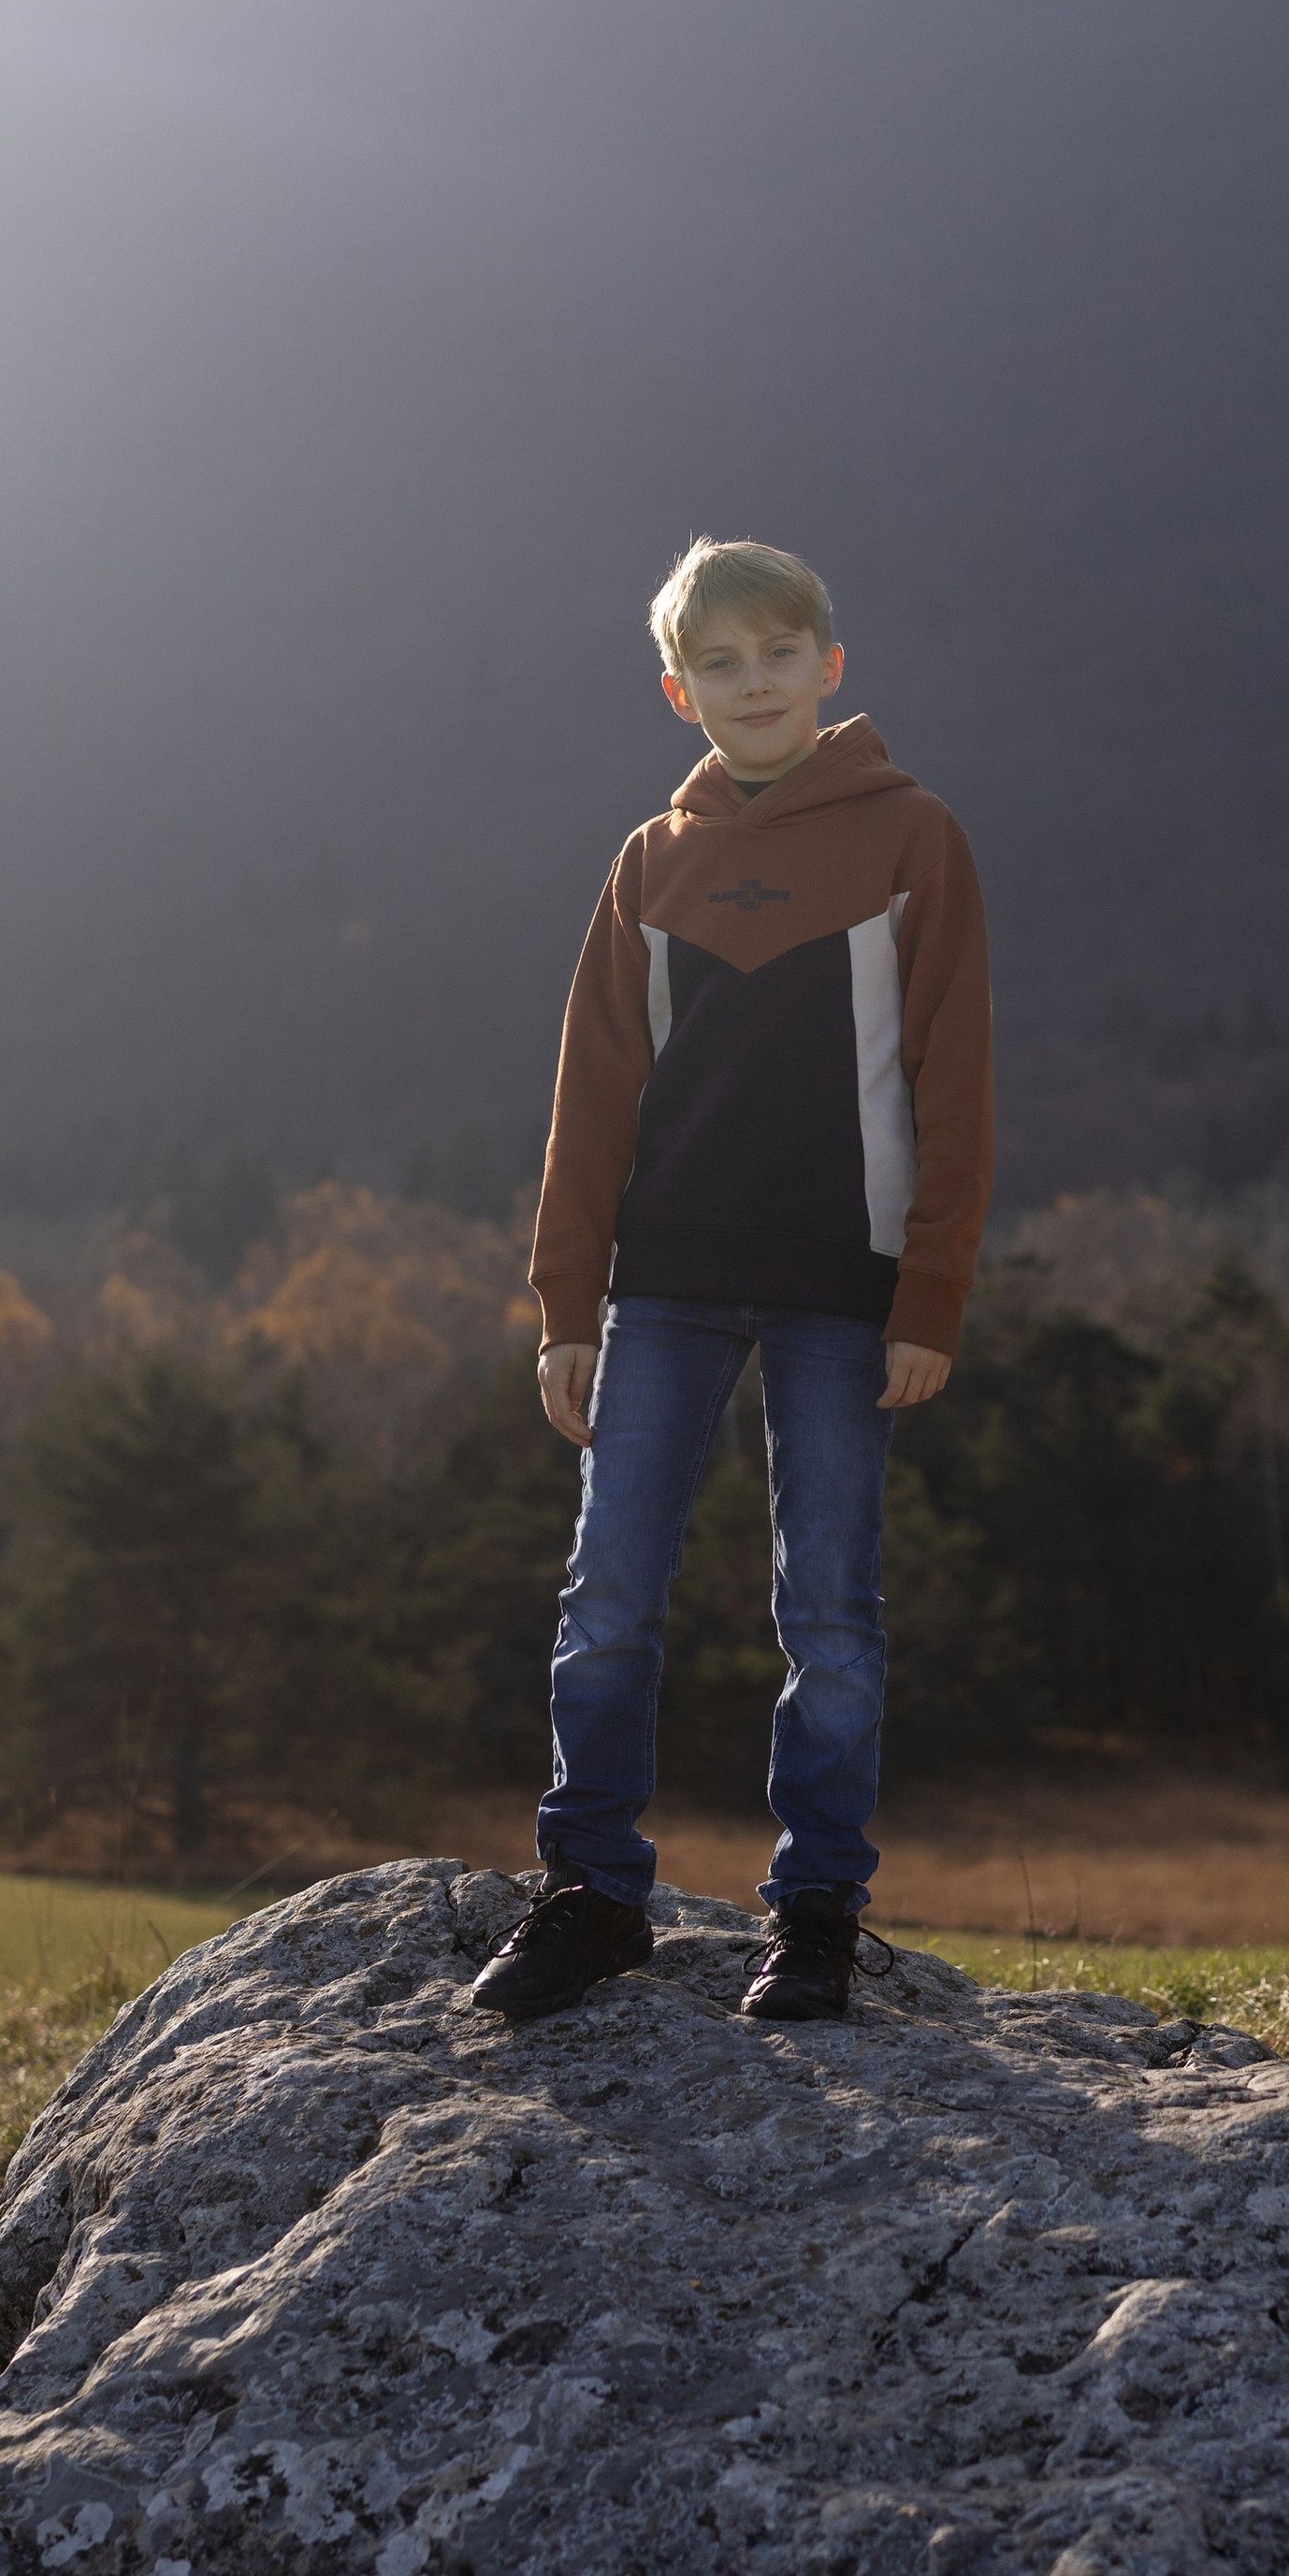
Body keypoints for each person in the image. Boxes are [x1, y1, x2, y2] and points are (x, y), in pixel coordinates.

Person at [471, 535, 993, 2024]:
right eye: (721, 663)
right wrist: (569, 1304)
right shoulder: (651, 862)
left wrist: (932, 1292)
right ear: (677, 687)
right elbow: (594, 1097)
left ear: (829, 667)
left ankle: (818, 1909)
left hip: (847, 1289)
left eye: (779, 655)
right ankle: (589, 1891)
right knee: (610, 1593)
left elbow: (958, 1079)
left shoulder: (913, 838)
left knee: (829, 1607)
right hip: (667, 1286)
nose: (751, 685)